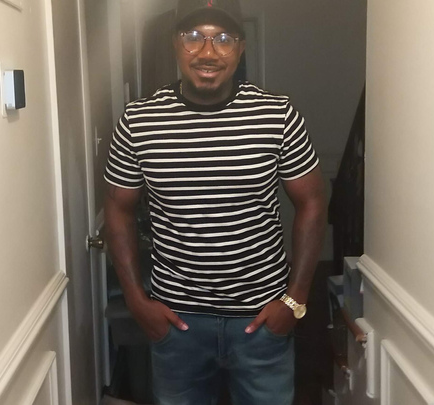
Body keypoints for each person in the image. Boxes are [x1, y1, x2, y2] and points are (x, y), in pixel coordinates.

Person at [104, 0, 327, 403]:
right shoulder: (138, 121)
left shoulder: (277, 115)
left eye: (223, 39)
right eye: (194, 37)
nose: (208, 52)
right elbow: (118, 211)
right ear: (175, 44)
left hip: (262, 317)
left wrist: (295, 299)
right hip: (177, 322)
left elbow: (311, 202)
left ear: (240, 48)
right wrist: (137, 301)